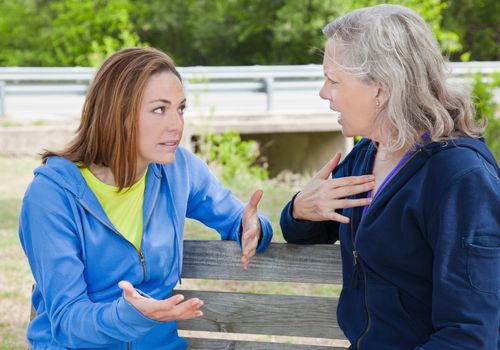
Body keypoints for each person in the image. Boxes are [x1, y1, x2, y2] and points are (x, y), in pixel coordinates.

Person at [19, 47, 273, 349]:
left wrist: (253, 227)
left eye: (180, 109)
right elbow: (69, 321)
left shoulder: (179, 170)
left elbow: (238, 217)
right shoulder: (52, 196)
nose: (176, 125)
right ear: (119, 115)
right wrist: (130, 315)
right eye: (159, 110)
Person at [280, 4, 499, 350]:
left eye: (334, 80)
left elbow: (470, 334)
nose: (324, 93)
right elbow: (309, 231)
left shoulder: (461, 178)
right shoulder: (367, 153)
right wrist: (300, 209)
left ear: (380, 90)